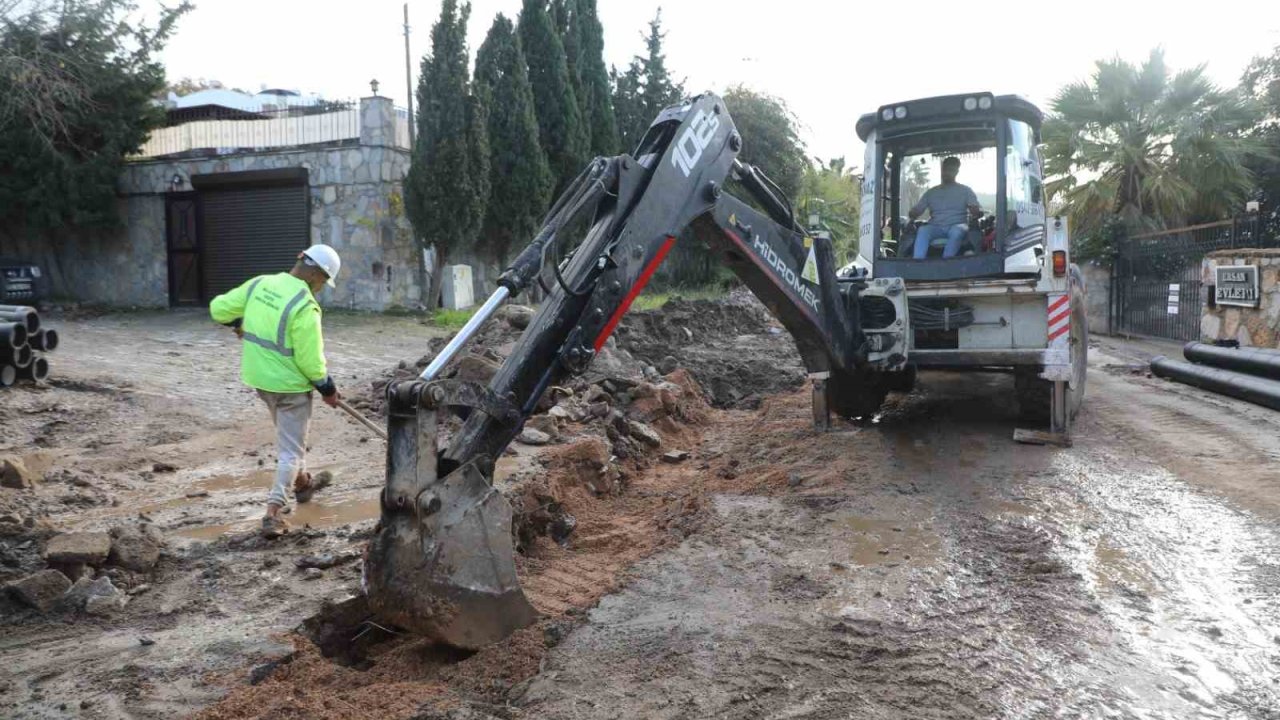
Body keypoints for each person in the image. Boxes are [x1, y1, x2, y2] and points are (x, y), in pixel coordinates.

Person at [209, 245, 343, 538]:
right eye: (323, 281)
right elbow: (311, 362)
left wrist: (239, 322)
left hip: (260, 380)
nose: (321, 287)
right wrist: (328, 389)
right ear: (316, 275)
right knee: (291, 451)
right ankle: (273, 513)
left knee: (290, 438)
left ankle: (304, 484)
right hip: (290, 388)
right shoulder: (305, 305)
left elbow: (218, 309)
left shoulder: (261, 284)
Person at [909, 156, 982, 259]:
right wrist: (913, 212)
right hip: (936, 226)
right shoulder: (931, 192)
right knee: (923, 230)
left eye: (951, 170)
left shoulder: (965, 191)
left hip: (958, 225)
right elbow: (917, 210)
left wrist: (975, 210)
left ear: (956, 172)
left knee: (956, 232)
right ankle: (917, 262)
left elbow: (975, 209)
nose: (947, 172)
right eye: (945, 169)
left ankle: (946, 261)